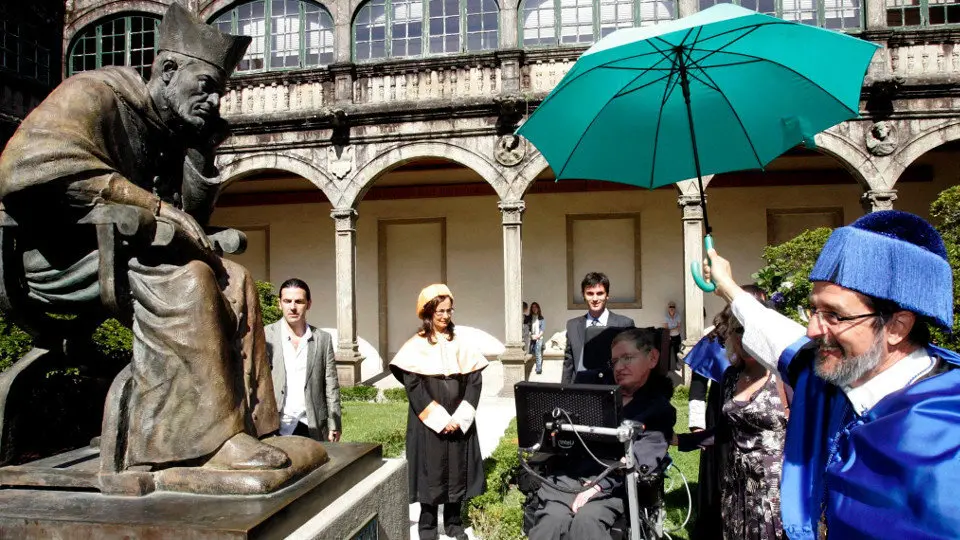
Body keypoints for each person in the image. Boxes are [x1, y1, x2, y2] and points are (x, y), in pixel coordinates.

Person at [0, 3, 288, 471]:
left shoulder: (169, 129)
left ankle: (252, 425)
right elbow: (20, 170)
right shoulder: (92, 92)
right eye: (207, 88)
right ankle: (204, 444)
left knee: (233, 277)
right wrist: (147, 204)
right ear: (168, 69)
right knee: (190, 277)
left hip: (119, 252)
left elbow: (186, 217)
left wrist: (200, 150)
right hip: (53, 257)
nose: (215, 101)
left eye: (220, 93)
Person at [703, 210, 960, 539]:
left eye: (834, 315)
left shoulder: (945, 434)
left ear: (897, 326)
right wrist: (727, 287)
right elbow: (779, 339)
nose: (811, 329)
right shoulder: (838, 379)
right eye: (815, 310)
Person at [529, 327, 676, 540]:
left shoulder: (658, 409)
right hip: (571, 477)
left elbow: (642, 457)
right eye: (615, 361)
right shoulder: (593, 394)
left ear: (652, 358)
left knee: (586, 524)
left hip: (613, 485)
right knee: (550, 523)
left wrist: (598, 486)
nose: (619, 367)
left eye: (627, 358)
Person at [677, 286, 789, 540]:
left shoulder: (785, 374)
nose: (745, 336)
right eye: (738, 328)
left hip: (773, 483)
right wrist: (686, 434)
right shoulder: (728, 368)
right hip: (733, 469)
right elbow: (699, 392)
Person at [389, 284, 488, 540]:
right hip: (428, 422)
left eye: (448, 310)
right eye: (439, 311)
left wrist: (460, 417)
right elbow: (413, 385)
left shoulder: (462, 344)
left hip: (459, 419)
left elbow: (474, 381)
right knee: (430, 472)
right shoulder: (415, 346)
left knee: (458, 471)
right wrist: (440, 418)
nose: (445, 316)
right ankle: (428, 528)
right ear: (428, 312)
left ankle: (455, 524)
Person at [265, 279, 342, 442]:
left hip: (310, 424)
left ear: (308, 304)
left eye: (299, 301)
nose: (292, 307)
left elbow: (331, 385)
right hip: (275, 426)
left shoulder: (322, 339)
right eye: (287, 301)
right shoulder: (265, 336)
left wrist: (334, 423)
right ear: (279, 303)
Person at [562, 272, 635, 384]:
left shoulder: (624, 324)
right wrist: (565, 395)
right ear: (583, 295)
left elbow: (631, 363)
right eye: (590, 293)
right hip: (581, 393)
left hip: (612, 392)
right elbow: (568, 366)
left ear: (607, 295)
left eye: (600, 293)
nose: (595, 298)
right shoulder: (572, 326)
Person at [664, 301, 682, 372]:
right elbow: (665, 329)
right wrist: (673, 329)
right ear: (668, 308)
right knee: (667, 352)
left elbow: (678, 327)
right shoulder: (666, 316)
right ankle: (667, 368)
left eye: (673, 307)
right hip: (669, 337)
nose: (672, 308)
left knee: (677, 352)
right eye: (670, 307)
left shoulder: (678, 315)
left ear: (675, 308)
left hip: (676, 336)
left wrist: (670, 329)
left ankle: (678, 366)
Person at [530, 301, 545, 374]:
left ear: (538, 308)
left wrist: (538, 336)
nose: (534, 308)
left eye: (535, 307)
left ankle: (539, 369)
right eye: (533, 307)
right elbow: (527, 328)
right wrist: (531, 336)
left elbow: (542, 330)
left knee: (538, 353)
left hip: (539, 338)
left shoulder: (541, 318)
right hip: (530, 338)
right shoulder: (529, 318)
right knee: (530, 352)